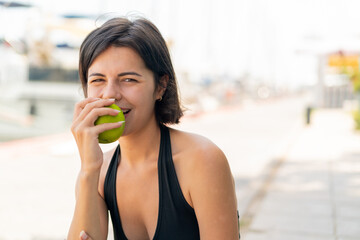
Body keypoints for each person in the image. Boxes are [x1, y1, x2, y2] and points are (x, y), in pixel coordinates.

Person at [67, 16, 239, 240]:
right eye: (98, 80)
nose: (110, 94)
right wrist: (89, 169)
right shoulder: (97, 172)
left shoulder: (201, 160)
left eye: (128, 79)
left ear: (160, 86)